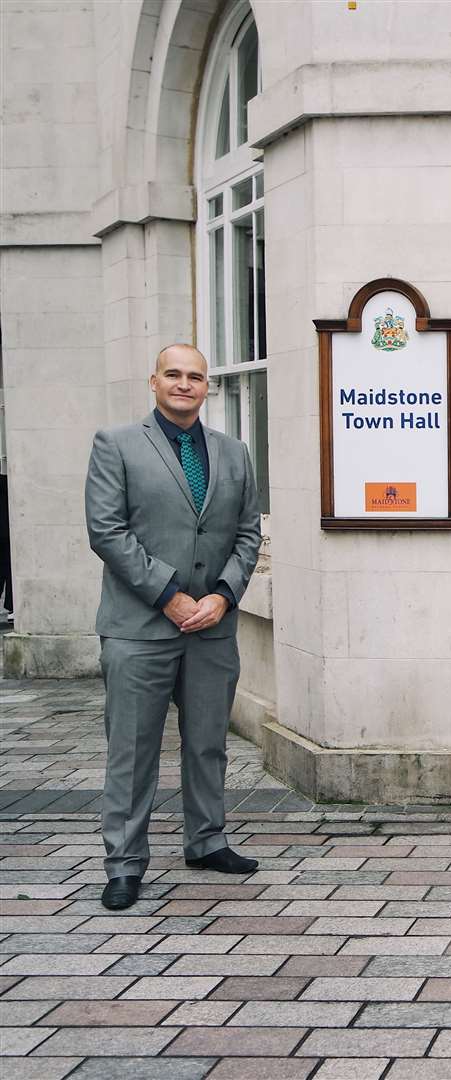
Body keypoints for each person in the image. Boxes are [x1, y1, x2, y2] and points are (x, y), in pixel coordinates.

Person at [84, 344, 263, 909]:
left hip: (211, 625)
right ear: (154, 381)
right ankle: (124, 863)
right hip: (139, 627)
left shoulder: (233, 453)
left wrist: (223, 596)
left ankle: (207, 840)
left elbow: (247, 532)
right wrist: (169, 596)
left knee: (208, 743)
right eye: (174, 375)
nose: (185, 384)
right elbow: (107, 532)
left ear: (207, 387)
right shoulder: (116, 444)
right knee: (132, 750)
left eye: (196, 377)